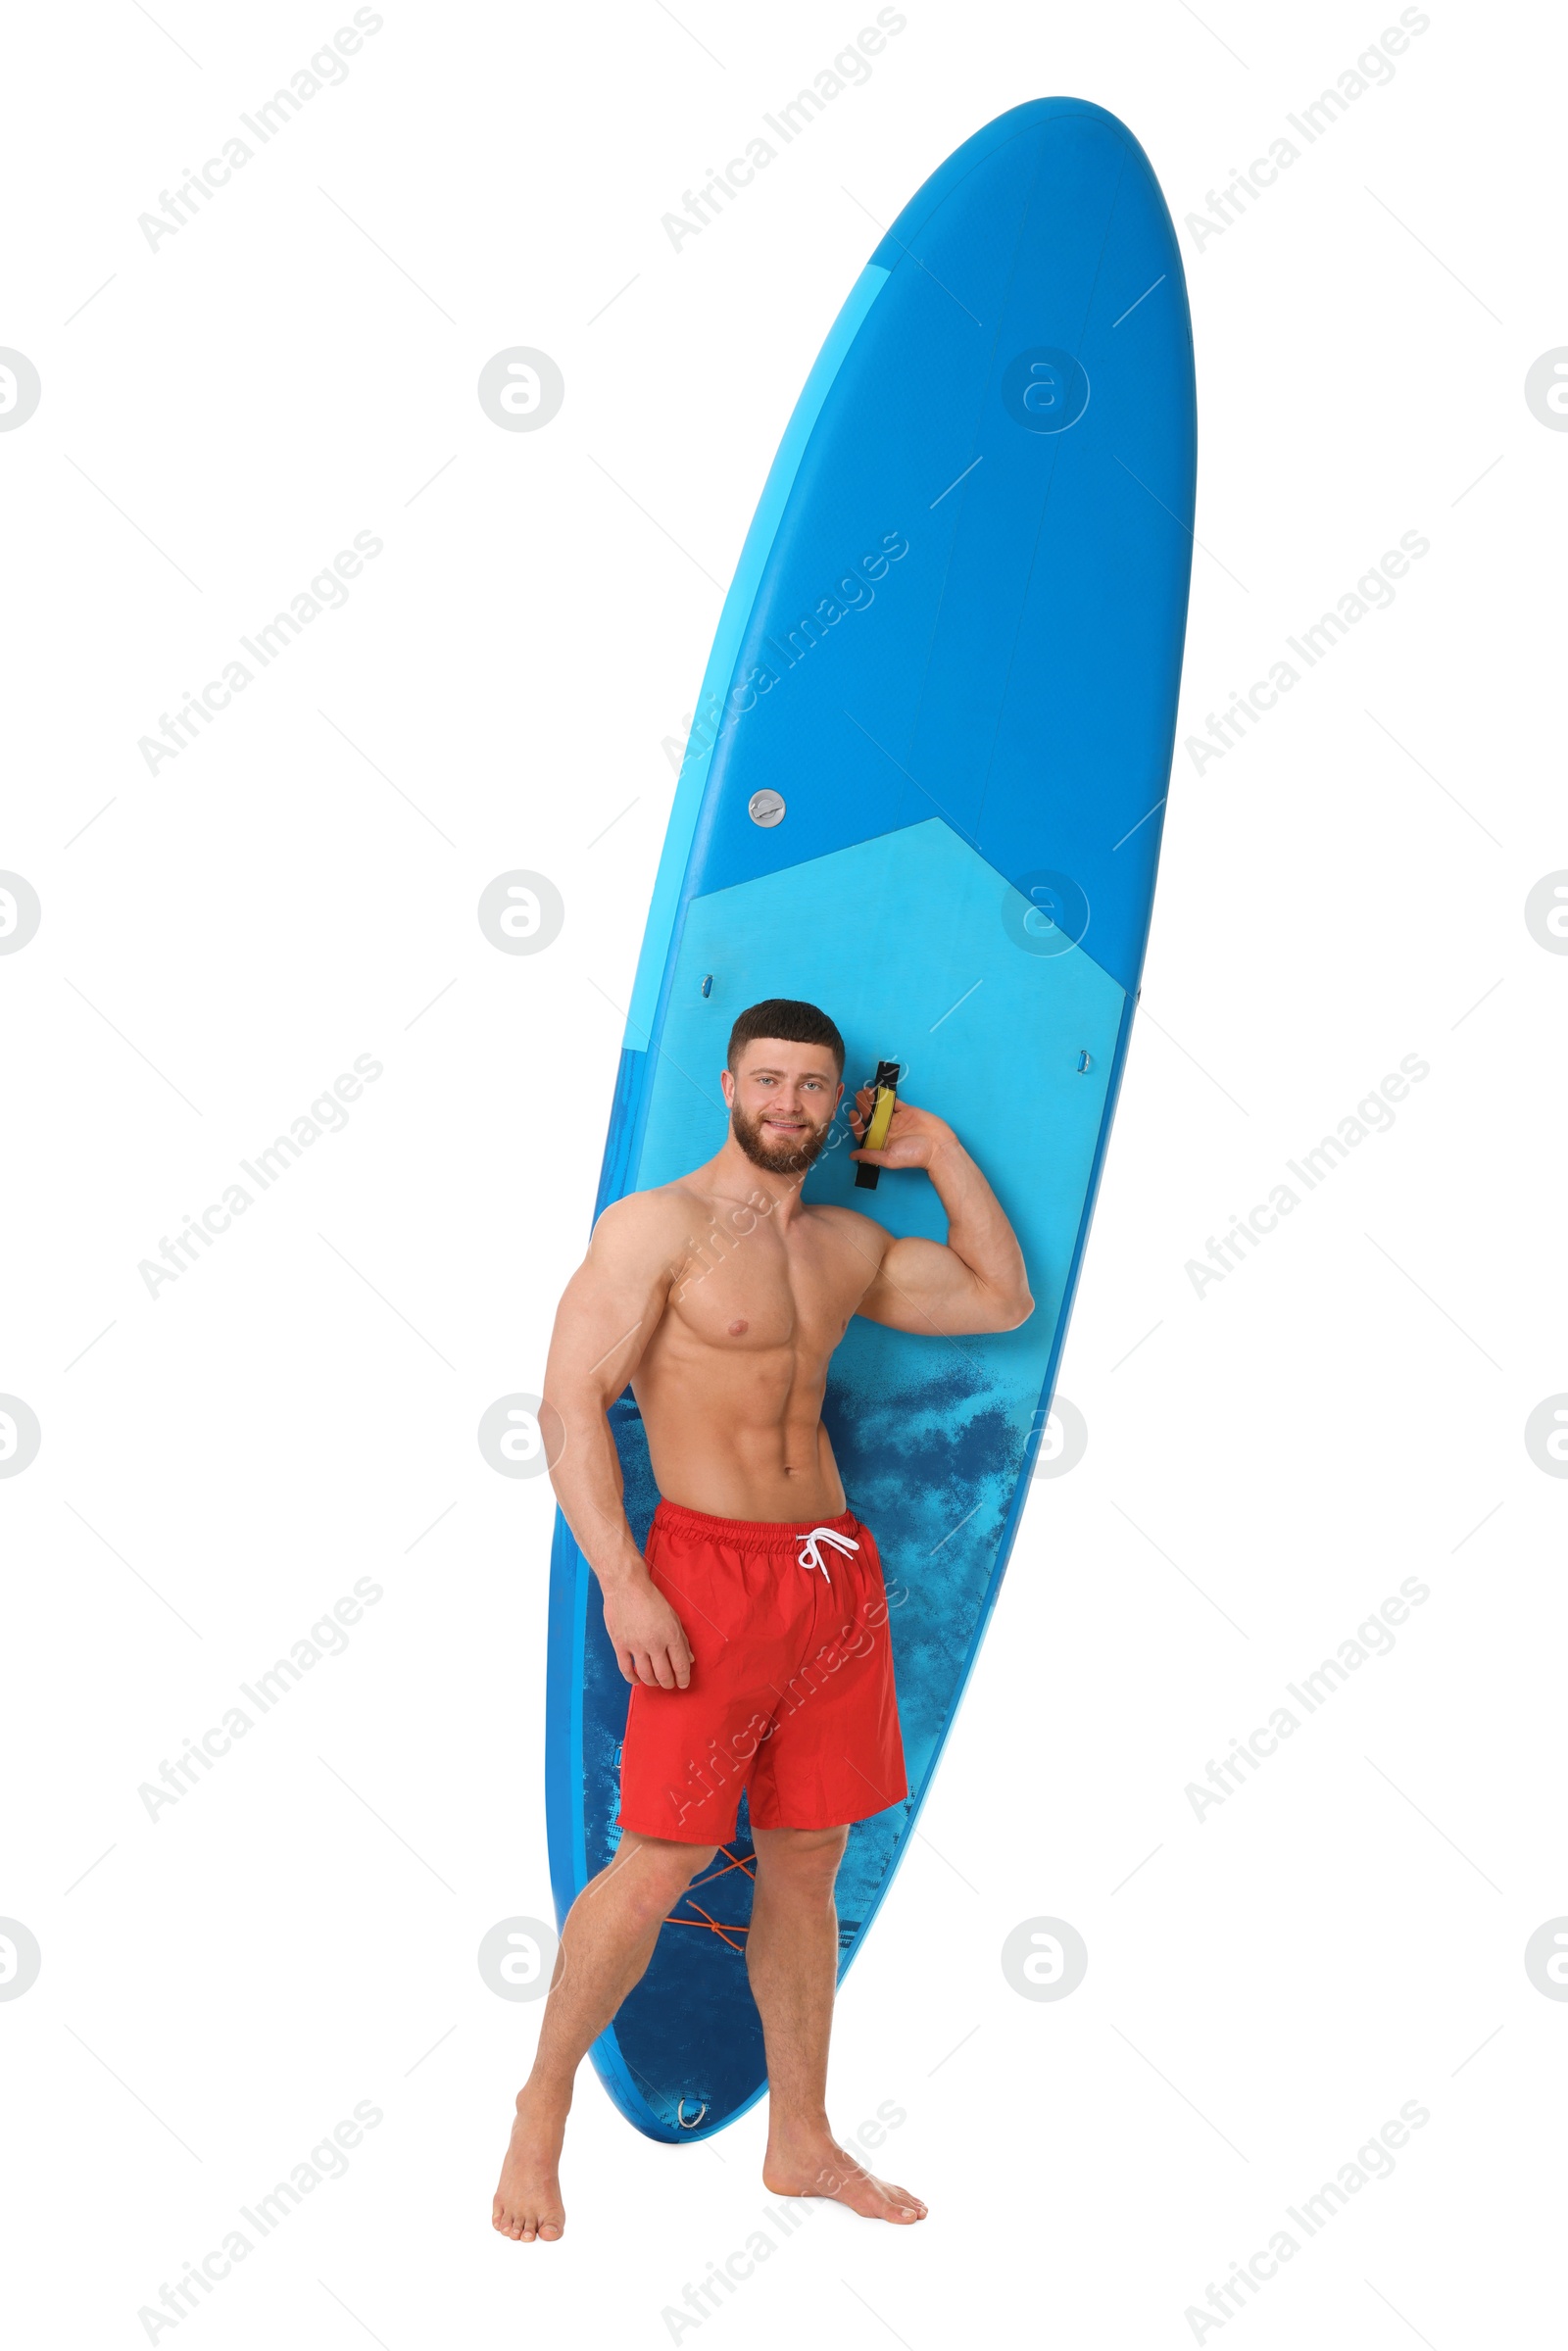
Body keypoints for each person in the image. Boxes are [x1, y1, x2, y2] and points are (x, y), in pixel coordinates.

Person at [493, 998, 1033, 2241]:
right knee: (660, 1862)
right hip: (705, 1575)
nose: (787, 1105)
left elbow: (1000, 1299)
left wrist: (941, 1152)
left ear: (838, 1103)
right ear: (728, 1083)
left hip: (831, 1574)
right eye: (768, 1080)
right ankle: (540, 2102)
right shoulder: (657, 1229)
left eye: (811, 1088)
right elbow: (571, 1406)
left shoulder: (842, 1244)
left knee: (806, 1859)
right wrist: (625, 1579)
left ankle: (801, 2139)